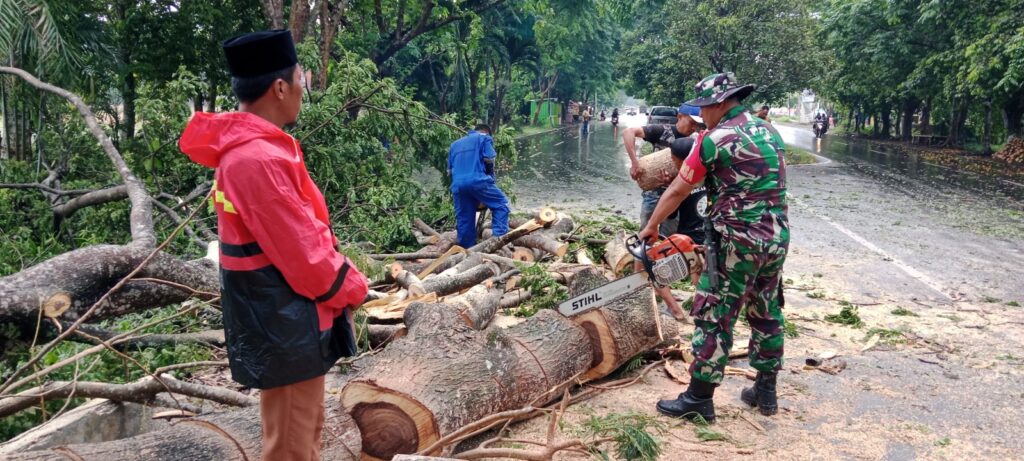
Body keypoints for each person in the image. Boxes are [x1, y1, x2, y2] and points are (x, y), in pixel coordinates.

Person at [179, 30, 369, 460]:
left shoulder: (260, 150)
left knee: (301, 430)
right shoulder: (256, 159)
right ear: (280, 86)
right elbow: (304, 254)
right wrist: (353, 286)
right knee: (290, 444)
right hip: (284, 321)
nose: (304, 89)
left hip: (287, 318)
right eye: (301, 78)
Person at [638, 72, 789, 423]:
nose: (701, 115)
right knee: (766, 312)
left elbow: (677, 188)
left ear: (720, 103)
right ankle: (766, 391)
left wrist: (652, 225)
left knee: (715, 314)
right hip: (776, 239)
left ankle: (698, 398)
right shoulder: (768, 131)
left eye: (705, 108)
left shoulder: (714, 139)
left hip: (737, 242)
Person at [621, 104, 705, 320]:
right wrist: (634, 161)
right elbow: (629, 132)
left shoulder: (698, 145)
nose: (694, 126)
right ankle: (639, 287)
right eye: (692, 122)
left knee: (668, 245)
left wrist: (675, 183)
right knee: (646, 242)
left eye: (698, 124)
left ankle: (661, 283)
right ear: (680, 116)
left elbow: (682, 190)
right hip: (657, 196)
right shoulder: (662, 131)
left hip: (680, 200)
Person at [448, 124, 511, 248]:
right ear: (486, 132)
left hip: (458, 185)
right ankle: (498, 241)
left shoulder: (454, 144)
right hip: (478, 180)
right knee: (501, 204)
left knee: (465, 217)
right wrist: (491, 179)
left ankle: (466, 250)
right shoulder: (484, 137)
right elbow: (489, 159)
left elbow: (449, 172)